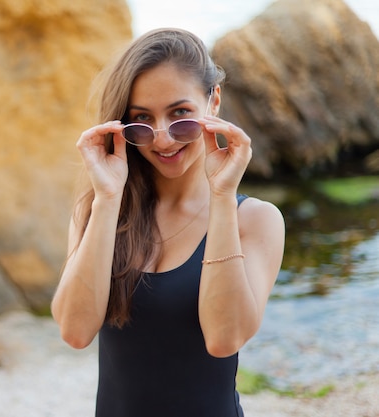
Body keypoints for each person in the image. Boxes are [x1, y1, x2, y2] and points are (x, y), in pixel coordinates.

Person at [50, 28, 285, 417]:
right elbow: (74, 332)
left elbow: (225, 339)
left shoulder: (255, 220)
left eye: (180, 115)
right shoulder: (97, 210)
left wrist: (222, 197)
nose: (162, 139)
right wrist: (108, 199)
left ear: (214, 102)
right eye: (142, 121)